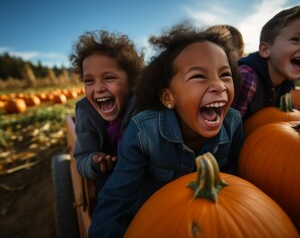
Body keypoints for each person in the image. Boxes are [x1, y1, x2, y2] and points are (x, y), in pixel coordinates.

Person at [88, 22, 244, 238]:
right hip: (152, 214)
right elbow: (117, 198)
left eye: (225, 75)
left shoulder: (233, 123)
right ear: (168, 97)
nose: (219, 85)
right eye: (198, 76)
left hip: (206, 217)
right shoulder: (144, 132)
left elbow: (234, 180)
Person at [69, 30, 144, 194]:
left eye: (109, 78)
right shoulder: (85, 112)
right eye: (89, 81)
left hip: (141, 178)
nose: (98, 88)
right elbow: (82, 158)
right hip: (110, 181)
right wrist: (94, 162)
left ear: (132, 82)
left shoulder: (141, 109)